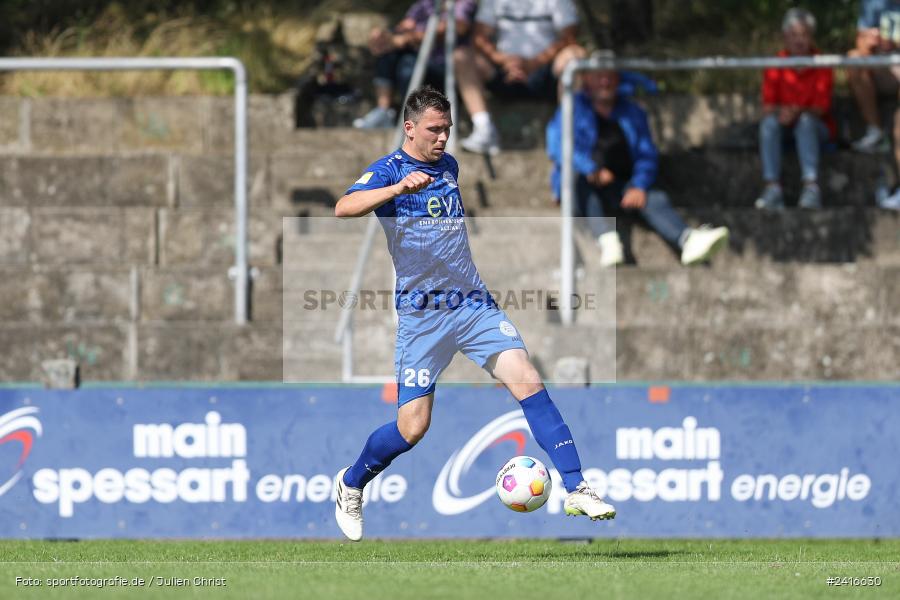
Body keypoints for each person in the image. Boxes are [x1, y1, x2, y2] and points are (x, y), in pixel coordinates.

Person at [333, 86, 616, 541]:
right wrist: (396, 188)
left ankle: (577, 486)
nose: (443, 138)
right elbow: (343, 207)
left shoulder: (449, 166)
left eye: (447, 129)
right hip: (422, 316)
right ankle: (351, 483)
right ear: (409, 129)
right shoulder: (389, 169)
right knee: (413, 427)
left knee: (527, 377)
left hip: (471, 304)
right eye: (434, 129)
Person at [546, 65, 730, 267]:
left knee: (654, 198)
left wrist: (639, 185)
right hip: (587, 187)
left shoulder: (633, 112)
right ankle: (607, 240)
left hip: (623, 186)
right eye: (599, 76)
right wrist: (592, 169)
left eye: (609, 76)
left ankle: (687, 239)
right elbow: (558, 145)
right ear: (587, 80)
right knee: (578, 179)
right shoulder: (572, 109)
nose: (605, 82)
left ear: (618, 79)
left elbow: (646, 154)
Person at [453, 0, 587, 155]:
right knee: (461, 56)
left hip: (545, 71)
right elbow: (479, 36)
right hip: (505, 70)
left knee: (575, 55)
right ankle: (483, 127)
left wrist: (534, 63)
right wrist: (503, 60)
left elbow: (569, 36)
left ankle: (571, 132)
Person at [755, 8, 835, 211]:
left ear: (811, 37)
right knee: (768, 125)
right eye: (794, 35)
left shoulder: (822, 63)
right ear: (785, 37)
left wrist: (797, 112)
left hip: (816, 128)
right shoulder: (775, 63)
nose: (799, 40)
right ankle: (772, 188)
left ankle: (811, 187)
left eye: (803, 34)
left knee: (806, 122)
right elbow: (768, 106)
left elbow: (821, 108)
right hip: (784, 124)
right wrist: (784, 113)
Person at [353, 0, 478, 129]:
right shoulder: (425, 4)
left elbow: (458, 27)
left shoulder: (462, 3)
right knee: (388, 55)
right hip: (419, 58)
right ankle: (384, 111)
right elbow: (403, 27)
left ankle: (411, 117)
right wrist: (385, 36)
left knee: (407, 66)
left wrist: (410, 37)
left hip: (444, 66)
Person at [849, 0, 900, 208]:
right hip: (884, 69)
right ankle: (876, 131)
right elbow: (860, 44)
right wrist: (872, 44)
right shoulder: (872, 3)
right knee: (853, 58)